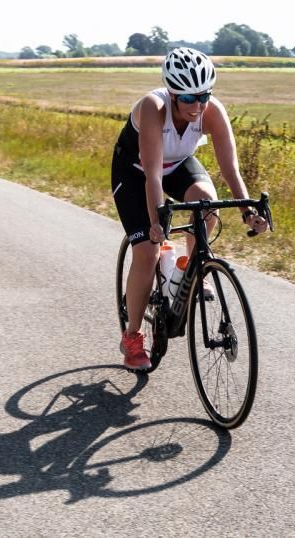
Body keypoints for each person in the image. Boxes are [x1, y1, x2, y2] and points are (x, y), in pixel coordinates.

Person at [111, 48, 268, 370]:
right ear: (172, 93)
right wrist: (157, 222)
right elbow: (152, 173)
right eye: (188, 98)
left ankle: (188, 268)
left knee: (208, 205)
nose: (197, 106)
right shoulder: (152, 107)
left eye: (204, 96)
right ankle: (132, 336)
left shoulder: (212, 111)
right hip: (135, 172)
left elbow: (230, 169)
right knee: (147, 251)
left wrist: (247, 210)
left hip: (178, 165)